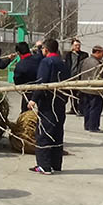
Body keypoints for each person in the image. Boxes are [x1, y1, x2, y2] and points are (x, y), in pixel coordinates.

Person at [27, 39, 70, 175]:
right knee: (57, 132)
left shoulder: (46, 62)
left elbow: (41, 82)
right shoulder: (63, 63)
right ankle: (55, 164)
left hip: (47, 102)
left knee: (44, 133)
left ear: (46, 49)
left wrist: (33, 99)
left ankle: (44, 165)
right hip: (60, 101)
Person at [79, 45, 103, 132]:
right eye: (102, 53)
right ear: (97, 52)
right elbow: (99, 78)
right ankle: (93, 126)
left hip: (85, 88)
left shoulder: (85, 61)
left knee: (87, 108)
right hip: (95, 90)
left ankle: (87, 125)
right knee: (95, 109)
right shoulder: (96, 63)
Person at [13, 41, 43, 112]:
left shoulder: (20, 65)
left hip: (28, 90)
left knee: (25, 113)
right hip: (41, 89)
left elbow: (17, 81)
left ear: (18, 53)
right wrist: (39, 47)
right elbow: (41, 53)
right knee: (43, 112)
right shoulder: (38, 58)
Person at [63, 39, 88, 115]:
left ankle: (81, 109)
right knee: (72, 94)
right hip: (71, 76)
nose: (78, 47)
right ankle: (73, 108)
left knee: (80, 94)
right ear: (72, 46)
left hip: (80, 77)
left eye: (79, 45)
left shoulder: (84, 55)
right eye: (76, 45)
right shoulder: (68, 55)